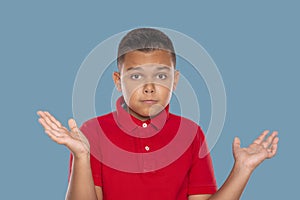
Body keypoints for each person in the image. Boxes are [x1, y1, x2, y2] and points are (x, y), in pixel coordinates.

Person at [37, 28, 279, 200]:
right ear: (118, 81)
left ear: (175, 81)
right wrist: (81, 156)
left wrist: (243, 169)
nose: (149, 86)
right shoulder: (93, 132)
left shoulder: (190, 134)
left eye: (161, 76)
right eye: (136, 76)